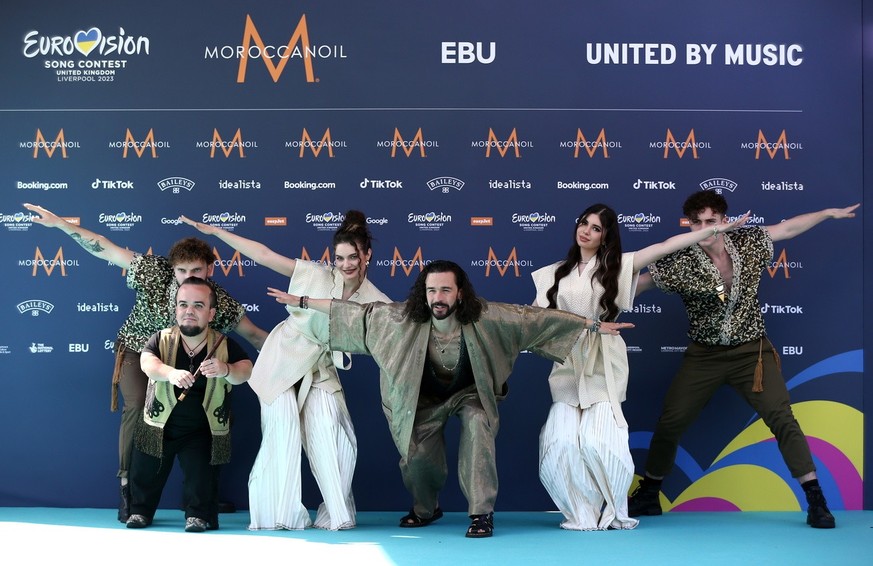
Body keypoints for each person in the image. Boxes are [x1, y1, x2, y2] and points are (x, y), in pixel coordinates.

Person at [267, 260, 633, 538]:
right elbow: (355, 314)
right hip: (420, 398)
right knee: (417, 459)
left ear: (460, 293)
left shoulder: (489, 317)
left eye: (445, 291)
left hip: (469, 393)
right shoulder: (399, 319)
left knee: (477, 424)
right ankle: (426, 509)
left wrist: (594, 325)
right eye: (431, 291)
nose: (437, 298)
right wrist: (300, 300)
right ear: (422, 293)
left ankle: (481, 513)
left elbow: (533, 319)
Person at [627, 191, 859, 529]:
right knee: (670, 421)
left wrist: (828, 210)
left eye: (711, 221)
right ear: (689, 225)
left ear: (724, 221)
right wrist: (587, 295)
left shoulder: (749, 241)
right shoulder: (678, 260)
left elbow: (789, 229)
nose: (705, 229)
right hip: (704, 355)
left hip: (752, 353)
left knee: (782, 417)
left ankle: (815, 499)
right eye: (697, 223)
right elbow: (639, 284)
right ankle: (649, 494)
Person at [23, 203, 266, 522]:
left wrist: (302, 353)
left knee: (217, 412)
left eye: (196, 271)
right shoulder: (153, 271)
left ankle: (201, 494)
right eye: (182, 271)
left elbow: (255, 336)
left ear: (210, 269)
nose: (188, 278)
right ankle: (128, 491)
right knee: (138, 406)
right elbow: (105, 248)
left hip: (190, 359)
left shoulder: (218, 300)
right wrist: (60, 224)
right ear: (172, 268)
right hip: (140, 350)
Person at [531, 203, 750, 531]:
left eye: (595, 228)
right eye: (584, 223)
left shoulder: (617, 267)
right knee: (559, 443)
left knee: (598, 441)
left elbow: (665, 246)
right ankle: (581, 514)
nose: (586, 231)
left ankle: (614, 511)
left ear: (605, 237)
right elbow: (535, 318)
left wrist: (713, 231)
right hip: (568, 365)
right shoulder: (553, 273)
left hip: (604, 362)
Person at [180, 210, 390, 531]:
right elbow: (263, 255)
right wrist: (216, 232)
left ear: (367, 256)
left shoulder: (375, 299)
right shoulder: (318, 274)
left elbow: (403, 326)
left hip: (319, 366)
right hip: (284, 356)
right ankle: (278, 515)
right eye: (339, 257)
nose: (345, 264)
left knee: (331, 430)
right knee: (283, 431)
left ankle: (336, 513)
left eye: (352, 257)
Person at [126, 277, 253, 531]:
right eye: (183, 304)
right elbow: (147, 363)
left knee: (201, 477)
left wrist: (225, 368)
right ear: (176, 309)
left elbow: (246, 371)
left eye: (198, 305)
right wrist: (169, 372)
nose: (189, 311)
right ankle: (140, 511)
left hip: (201, 430)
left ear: (211, 312)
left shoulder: (224, 344)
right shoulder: (160, 339)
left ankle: (197, 514)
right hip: (159, 425)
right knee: (144, 471)